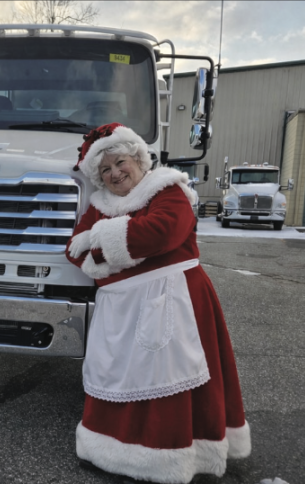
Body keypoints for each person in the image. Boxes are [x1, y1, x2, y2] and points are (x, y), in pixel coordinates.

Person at [66, 123, 251, 483]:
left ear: (138, 158)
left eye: (120, 163)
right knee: (116, 374)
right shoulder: (99, 204)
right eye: (105, 170)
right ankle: (108, 450)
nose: (115, 173)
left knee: (169, 373)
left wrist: (99, 239)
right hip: (119, 310)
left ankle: (173, 457)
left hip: (171, 299)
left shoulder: (167, 189)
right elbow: (75, 251)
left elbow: (162, 232)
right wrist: (110, 251)